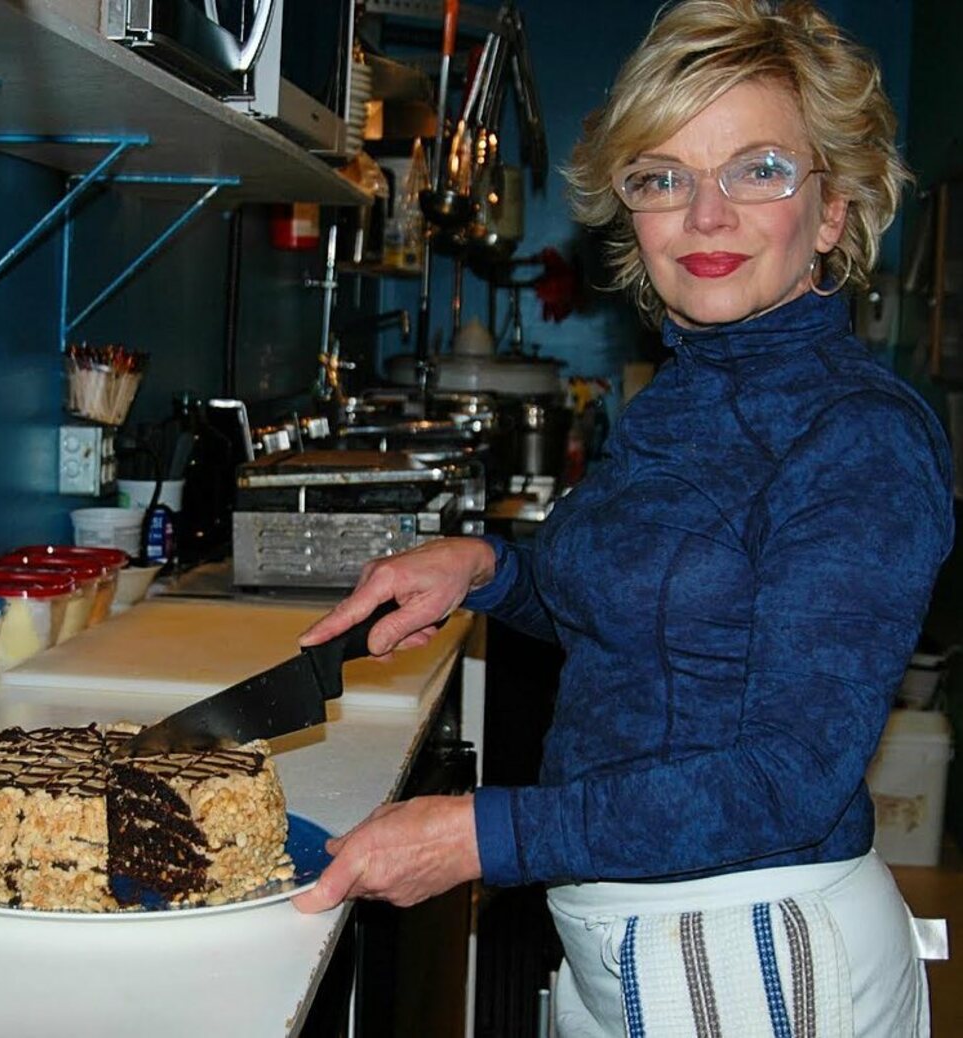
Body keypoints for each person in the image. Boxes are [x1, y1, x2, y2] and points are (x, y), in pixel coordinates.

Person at [293, 1, 955, 1034]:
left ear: (831, 210)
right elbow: (645, 627)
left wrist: (480, 837)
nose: (706, 215)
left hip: (750, 953)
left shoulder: (858, 436)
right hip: (631, 936)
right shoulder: (685, 391)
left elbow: (788, 780)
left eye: (758, 169)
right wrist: (487, 570)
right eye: (663, 178)